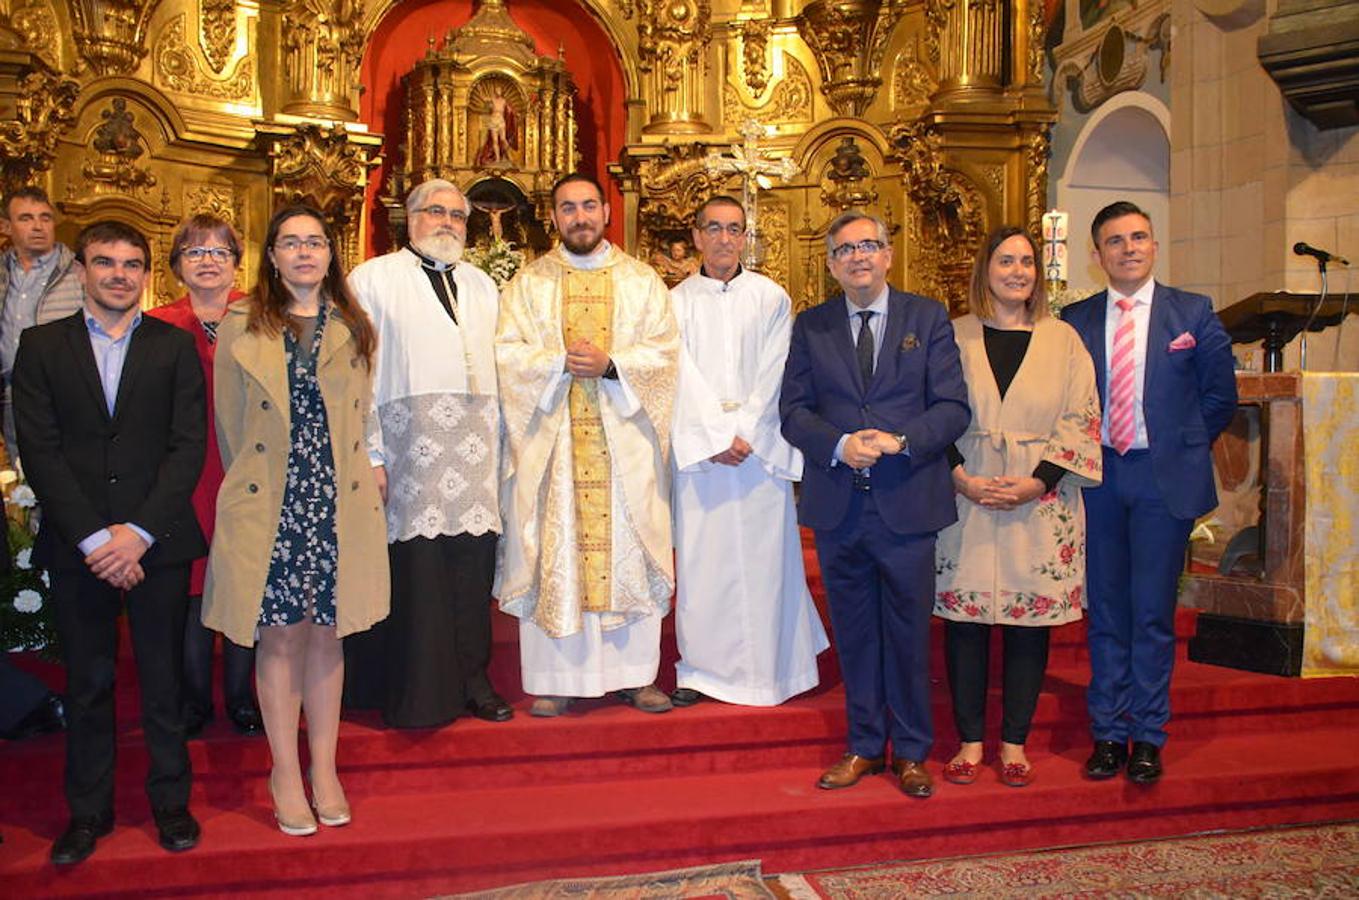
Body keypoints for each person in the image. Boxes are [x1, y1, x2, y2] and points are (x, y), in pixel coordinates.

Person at [13, 220, 207, 864]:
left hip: (158, 542)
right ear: (83, 271)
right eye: (105, 262)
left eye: (131, 264)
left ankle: (171, 804)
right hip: (80, 545)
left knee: (163, 682)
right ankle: (88, 814)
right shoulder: (42, 347)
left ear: (146, 273)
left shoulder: (172, 347)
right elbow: (38, 449)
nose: (119, 274)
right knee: (90, 683)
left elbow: (187, 448)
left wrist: (138, 534)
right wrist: (98, 537)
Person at [203, 205, 389, 836]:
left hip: (337, 497)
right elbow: (231, 427)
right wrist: (263, 489)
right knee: (280, 634)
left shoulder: (355, 325)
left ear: (330, 255)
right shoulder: (242, 324)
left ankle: (325, 768)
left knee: (329, 632)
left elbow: (363, 416)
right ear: (273, 256)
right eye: (290, 243)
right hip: (272, 498)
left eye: (314, 242)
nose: (304, 253)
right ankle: (284, 771)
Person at [780, 210, 969, 798]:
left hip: (908, 504)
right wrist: (839, 444)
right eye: (845, 250)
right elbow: (793, 411)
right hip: (840, 507)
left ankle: (912, 753)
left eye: (869, 246)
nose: (858, 257)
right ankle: (863, 746)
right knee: (857, 635)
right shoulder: (811, 327)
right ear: (832, 264)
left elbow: (952, 407)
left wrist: (901, 442)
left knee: (909, 634)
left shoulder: (927, 317)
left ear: (889, 254)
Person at [1061, 201, 1236, 784]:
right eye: (1115, 241)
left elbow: (1219, 398)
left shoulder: (1192, 312)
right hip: (1100, 479)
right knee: (1107, 611)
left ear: (1154, 245)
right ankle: (1108, 733)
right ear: (1098, 255)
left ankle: (1148, 738)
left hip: (1162, 480)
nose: (1129, 248)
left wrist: (1179, 447)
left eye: (1139, 237)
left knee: (1154, 614)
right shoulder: (1077, 320)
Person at [495, 173, 679, 718]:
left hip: (623, 443)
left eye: (588, 206)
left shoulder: (643, 282)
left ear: (606, 212)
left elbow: (666, 354)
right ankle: (556, 678)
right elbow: (506, 355)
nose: (579, 216)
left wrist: (613, 365)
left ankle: (637, 677)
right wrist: (557, 364)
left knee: (629, 549)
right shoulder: (529, 284)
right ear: (553, 217)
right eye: (567, 208)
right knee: (557, 553)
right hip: (555, 446)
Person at [933, 226, 1102, 788]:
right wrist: (960, 476)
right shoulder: (953, 335)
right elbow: (933, 408)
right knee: (967, 623)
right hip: (968, 493)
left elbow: (1081, 417)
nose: (1017, 271)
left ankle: (1014, 743)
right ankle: (970, 741)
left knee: (1031, 625)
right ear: (986, 269)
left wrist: (1039, 481)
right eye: (1005, 261)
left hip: (1041, 499)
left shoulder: (1065, 339)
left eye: (1027, 262)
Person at [343, 179, 511, 728]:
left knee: (472, 565)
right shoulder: (372, 280)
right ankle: (422, 690)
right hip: (407, 446)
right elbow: (355, 373)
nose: (447, 223)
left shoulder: (484, 285)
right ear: (407, 218)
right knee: (418, 570)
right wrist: (369, 452)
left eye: (457, 215)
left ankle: (474, 679)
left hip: (477, 444)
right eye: (434, 211)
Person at [669, 195, 827, 707]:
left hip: (759, 452)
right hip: (703, 453)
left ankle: (773, 671)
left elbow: (779, 369)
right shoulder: (673, 302)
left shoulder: (771, 297)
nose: (723, 238)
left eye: (733, 229)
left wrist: (746, 432)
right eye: (712, 228)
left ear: (745, 237)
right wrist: (714, 436)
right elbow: (676, 373)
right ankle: (703, 672)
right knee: (703, 565)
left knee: (766, 562)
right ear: (696, 236)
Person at [148, 214, 262, 738]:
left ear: (237, 262)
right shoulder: (156, 325)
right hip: (185, 474)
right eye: (195, 252)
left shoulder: (261, 316)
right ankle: (195, 701)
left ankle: (242, 697)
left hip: (248, 469)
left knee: (243, 584)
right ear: (177, 267)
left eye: (220, 251)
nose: (208, 260)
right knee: (193, 591)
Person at [0, 186, 85, 458]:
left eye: (45, 218)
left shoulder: (78, 272)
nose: (37, 226)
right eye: (26, 218)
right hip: (9, 393)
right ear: (6, 226)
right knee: (19, 479)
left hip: (61, 392)